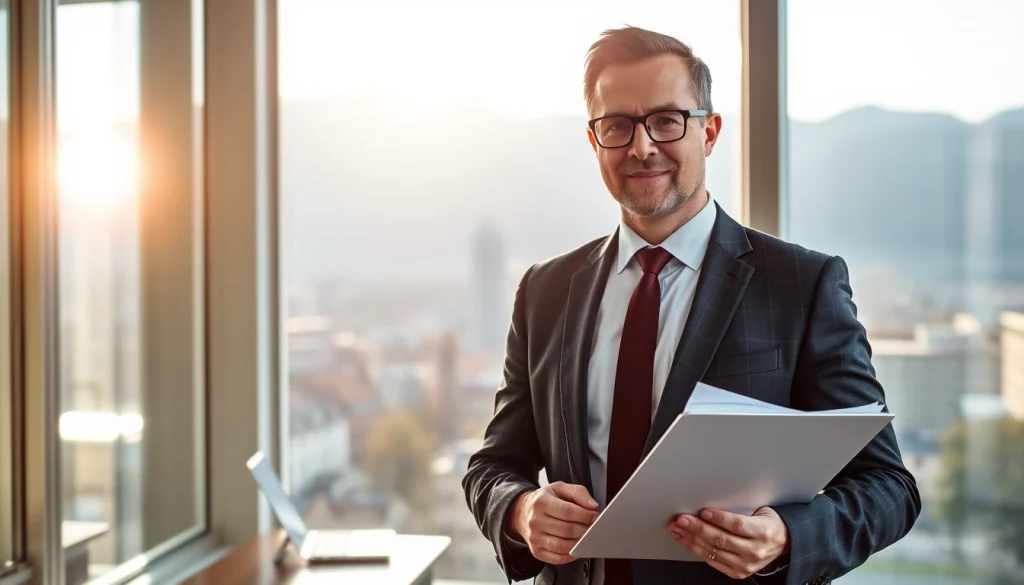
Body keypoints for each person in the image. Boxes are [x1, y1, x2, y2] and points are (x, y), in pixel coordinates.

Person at [462, 26, 920, 585]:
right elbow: (493, 465)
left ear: (709, 132)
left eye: (666, 120)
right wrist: (519, 510)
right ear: (594, 141)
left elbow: (888, 487)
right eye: (617, 126)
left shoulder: (803, 283)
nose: (642, 146)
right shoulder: (545, 290)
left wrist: (788, 537)